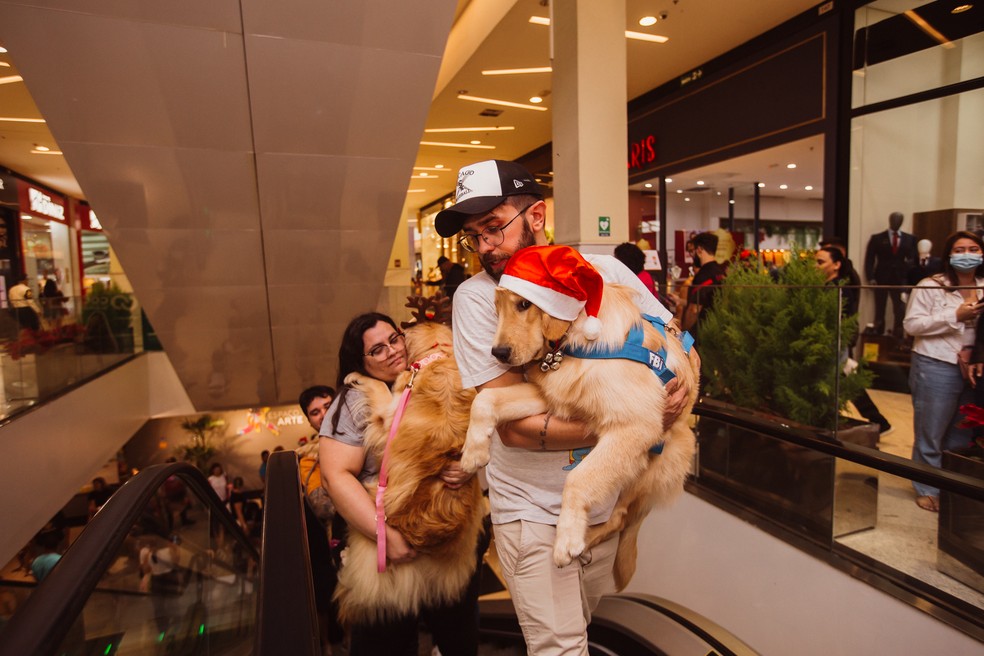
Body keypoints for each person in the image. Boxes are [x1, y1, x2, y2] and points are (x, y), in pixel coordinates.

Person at [433, 158, 693, 655]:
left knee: (581, 635)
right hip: (532, 513)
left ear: (536, 216)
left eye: (493, 227)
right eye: (473, 235)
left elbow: (678, 337)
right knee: (560, 649)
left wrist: (683, 384)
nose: (485, 246)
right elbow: (516, 429)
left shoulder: (605, 271)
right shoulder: (477, 297)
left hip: (603, 508)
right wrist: (635, 421)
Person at [319, 312, 479, 656]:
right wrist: (384, 535)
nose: (392, 351)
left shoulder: (430, 378)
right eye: (376, 350)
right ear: (359, 361)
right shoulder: (354, 401)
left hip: (447, 549)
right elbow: (335, 476)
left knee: (459, 642)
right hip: (390, 560)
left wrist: (469, 464)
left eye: (394, 339)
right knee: (387, 645)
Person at [902, 230, 983, 512]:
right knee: (931, 431)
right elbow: (912, 326)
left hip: (975, 369)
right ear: (949, 255)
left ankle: (954, 488)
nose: (966, 254)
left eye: (973, 248)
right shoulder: (931, 285)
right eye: (959, 250)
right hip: (936, 364)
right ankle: (928, 487)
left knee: (962, 432)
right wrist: (954, 316)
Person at [815, 246, 892, 434]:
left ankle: (878, 421)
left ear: (836, 265)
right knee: (845, 380)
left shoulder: (840, 288)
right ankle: (878, 421)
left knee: (842, 381)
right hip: (829, 344)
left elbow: (840, 321)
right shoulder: (828, 286)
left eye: (820, 262)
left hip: (834, 344)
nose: (815, 266)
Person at [864, 211, 918, 337]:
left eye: (899, 220)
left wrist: (909, 278)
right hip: (881, 277)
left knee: (899, 309)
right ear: (890, 220)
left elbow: (913, 260)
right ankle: (878, 334)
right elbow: (869, 259)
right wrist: (870, 277)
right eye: (894, 220)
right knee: (880, 308)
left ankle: (898, 335)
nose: (896, 222)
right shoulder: (877, 238)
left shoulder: (910, 239)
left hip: (900, 278)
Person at [683, 231, 725, 345]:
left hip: (700, 334)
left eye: (693, 251)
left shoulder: (703, 276)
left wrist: (683, 334)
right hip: (716, 329)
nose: (693, 255)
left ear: (700, 250)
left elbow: (694, 309)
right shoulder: (720, 272)